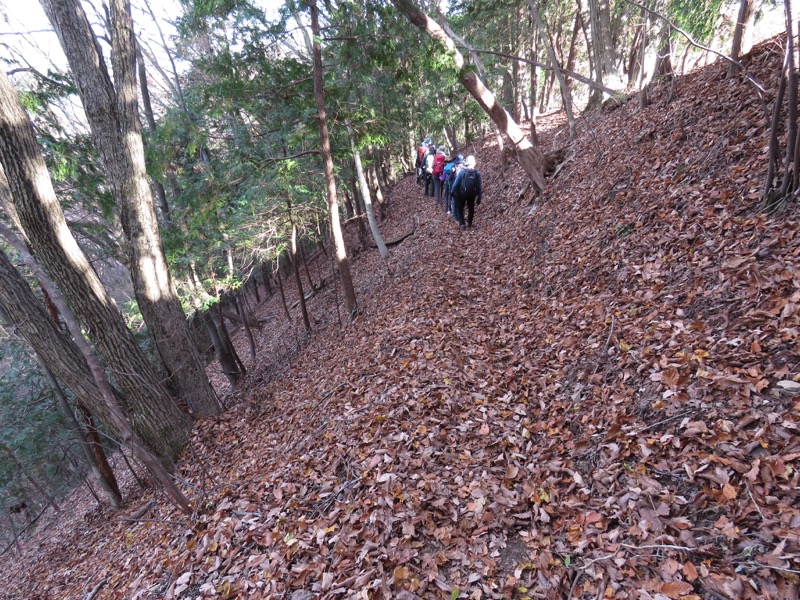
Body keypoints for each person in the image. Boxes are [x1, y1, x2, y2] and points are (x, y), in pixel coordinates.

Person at [451, 155, 483, 230]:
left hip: (461, 194)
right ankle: (469, 223)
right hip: (472, 194)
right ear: (474, 163)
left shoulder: (462, 172)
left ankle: (462, 224)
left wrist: (452, 192)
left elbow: (456, 183)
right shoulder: (477, 173)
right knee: (471, 208)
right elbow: (479, 186)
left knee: (460, 209)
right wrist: (479, 196)